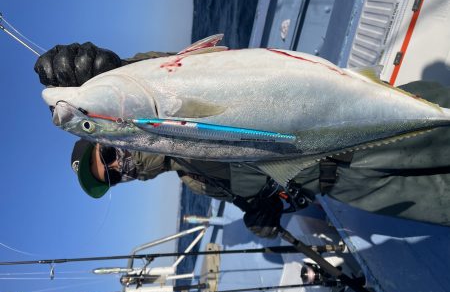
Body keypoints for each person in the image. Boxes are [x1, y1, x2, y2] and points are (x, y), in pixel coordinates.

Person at [35, 42, 450, 238]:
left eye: (105, 152)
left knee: (439, 124)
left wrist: (116, 68)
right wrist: (259, 212)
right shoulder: (194, 180)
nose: (118, 167)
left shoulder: (148, 110)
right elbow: (257, 188)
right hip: (342, 184)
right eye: (113, 178)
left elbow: (191, 75)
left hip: (344, 125)